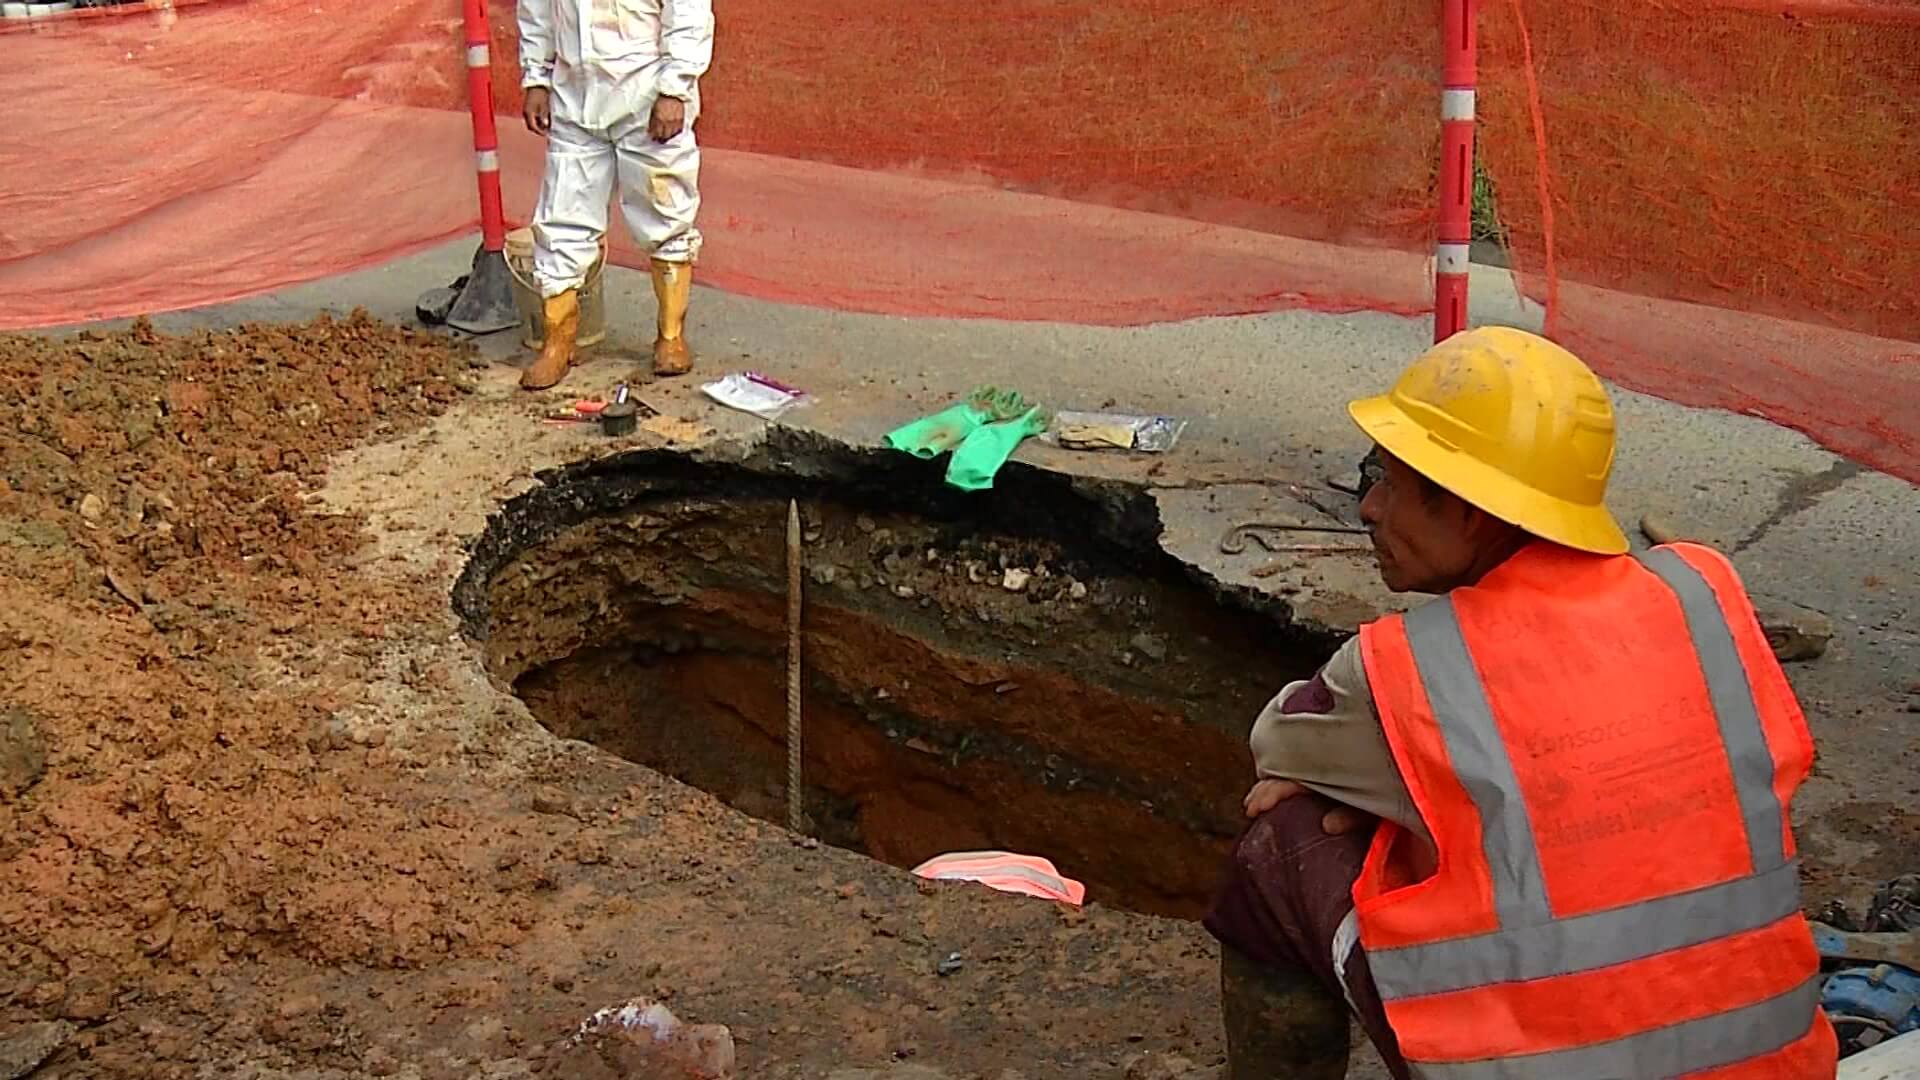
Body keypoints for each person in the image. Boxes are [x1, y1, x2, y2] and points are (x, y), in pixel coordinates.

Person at [1206, 327, 1837, 1079]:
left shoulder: (1411, 666)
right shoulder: (1699, 594)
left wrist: (1390, 800)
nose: (1370, 508)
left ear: (1471, 511)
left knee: (1283, 842)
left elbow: (1280, 745)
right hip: (1779, 1060)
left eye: (1389, 479)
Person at [516, 0, 714, 390]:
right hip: (574, 95)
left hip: (645, 94)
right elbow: (536, 9)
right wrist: (536, 78)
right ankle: (558, 344)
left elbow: (688, 12)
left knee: (666, 213)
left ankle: (670, 337)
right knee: (561, 220)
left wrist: (675, 90)